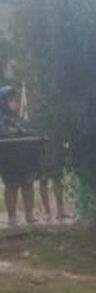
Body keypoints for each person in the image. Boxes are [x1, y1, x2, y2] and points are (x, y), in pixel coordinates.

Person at [0, 85, 36, 226]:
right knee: (11, 187)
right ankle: (12, 216)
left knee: (28, 185)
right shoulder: (1, 118)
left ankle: (29, 214)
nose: (13, 102)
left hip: (24, 157)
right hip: (9, 159)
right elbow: (5, 132)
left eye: (14, 99)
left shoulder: (19, 118)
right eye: (10, 99)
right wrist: (18, 131)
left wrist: (23, 129)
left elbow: (29, 129)